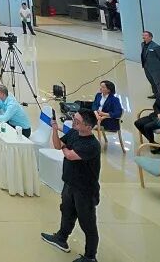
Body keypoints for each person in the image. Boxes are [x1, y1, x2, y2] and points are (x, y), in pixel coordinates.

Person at [42, 109, 101, 262]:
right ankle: (61, 238)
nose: (73, 123)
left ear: (88, 127)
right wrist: (55, 129)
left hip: (85, 190)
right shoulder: (74, 133)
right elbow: (57, 145)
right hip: (70, 183)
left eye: (77, 121)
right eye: (74, 119)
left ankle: (90, 257)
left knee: (87, 223)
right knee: (67, 212)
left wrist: (65, 146)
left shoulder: (92, 145)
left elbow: (69, 155)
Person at [139, 31, 160, 98]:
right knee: (151, 81)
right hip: (146, 66)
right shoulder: (142, 44)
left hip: (155, 67)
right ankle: (155, 94)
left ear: (151, 37)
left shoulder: (156, 46)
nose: (143, 37)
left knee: (158, 82)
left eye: (145, 35)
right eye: (143, 35)